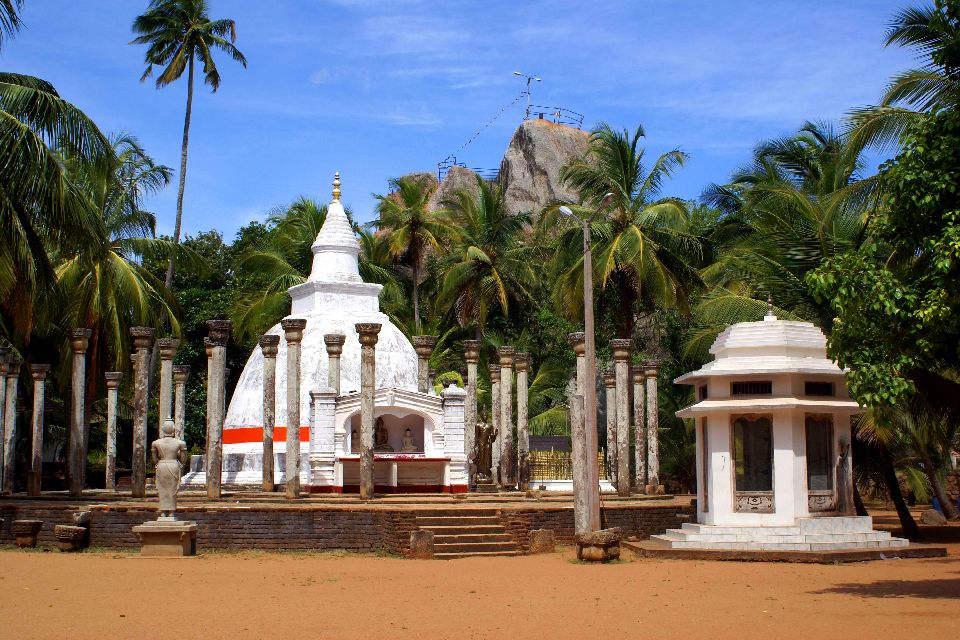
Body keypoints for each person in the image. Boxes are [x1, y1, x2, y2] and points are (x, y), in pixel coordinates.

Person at [151, 418, 188, 519]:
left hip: (161, 465)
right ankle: (171, 512)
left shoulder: (155, 443)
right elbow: (183, 460)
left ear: (163, 429)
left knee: (162, 489)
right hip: (173, 465)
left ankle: (163, 512)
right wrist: (177, 459)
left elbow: (154, 460)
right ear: (173, 429)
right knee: (172, 490)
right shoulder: (181, 443)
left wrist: (161, 460)